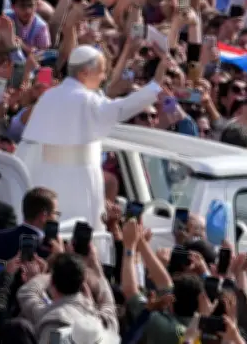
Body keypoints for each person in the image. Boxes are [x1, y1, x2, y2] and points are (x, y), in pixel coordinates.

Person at [17, 45, 167, 238]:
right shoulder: (86, 99)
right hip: (79, 182)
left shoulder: (50, 95)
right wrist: (155, 85)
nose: (103, 77)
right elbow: (120, 109)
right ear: (84, 73)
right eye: (101, 71)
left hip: (45, 178)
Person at [0, 187, 58, 260]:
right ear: (44, 215)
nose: (56, 218)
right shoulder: (48, 247)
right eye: (56, 213)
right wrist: (59, 255)